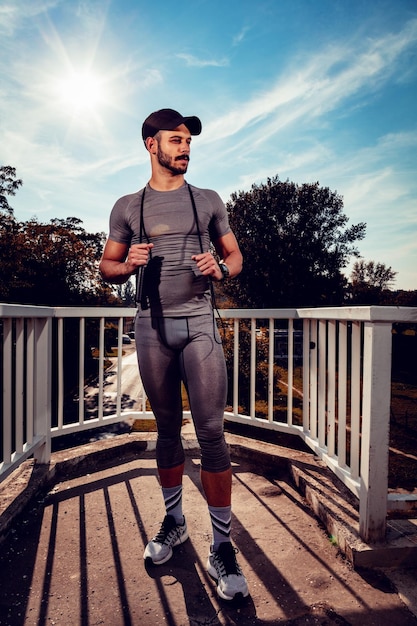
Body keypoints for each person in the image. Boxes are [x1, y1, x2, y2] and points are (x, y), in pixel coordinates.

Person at [99, 108, 248, 601]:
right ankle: (175, 521)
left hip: (201, 327)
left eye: (189, 141)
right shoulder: (128, 205)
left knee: (211, 434)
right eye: (176, 140)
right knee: (166, 432)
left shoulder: (206, 200)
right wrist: (128, 264)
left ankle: (222, 545)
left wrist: (220, 269)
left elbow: (235, 256)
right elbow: (106, 265)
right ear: (151, 144)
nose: (185, 148)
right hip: (152, 330)